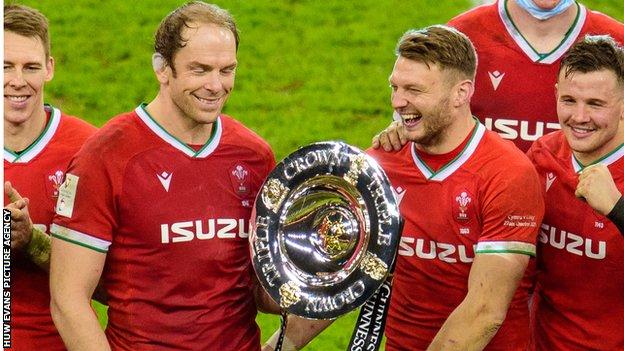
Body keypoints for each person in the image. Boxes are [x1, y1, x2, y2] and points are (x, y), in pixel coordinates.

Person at [269, 25, 545, 351]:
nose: (399, 102)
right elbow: (342, 280)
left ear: (461, 93)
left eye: (414, 90)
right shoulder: (380, 166)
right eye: (395, 87)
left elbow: (484, 312)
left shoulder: (507, 174)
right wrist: (275, 347)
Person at [49, 2, 277, 350]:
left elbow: (265, 292)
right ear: (162, 68)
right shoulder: (106, 155)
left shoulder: (255, 156)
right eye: (200, 70)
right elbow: (68, 299)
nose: (216, 85)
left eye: (226, 70)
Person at [374, 0, 624, 152]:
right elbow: (417, 115)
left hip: (583, 229)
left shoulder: (618, 44)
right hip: (479, 223)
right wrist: (400, 128)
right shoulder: (462, 37)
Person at [3, 4, 97, 350]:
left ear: (49, 68)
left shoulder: (89, 149)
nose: (17, 80)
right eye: (5, 66)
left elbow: (113, 277)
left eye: (30, 66)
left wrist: (32, 241)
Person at [526, 35, 624, 350]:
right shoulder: (542, 154)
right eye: (569, 101)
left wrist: (617, 209)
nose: (579, 117)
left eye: (595, 104)